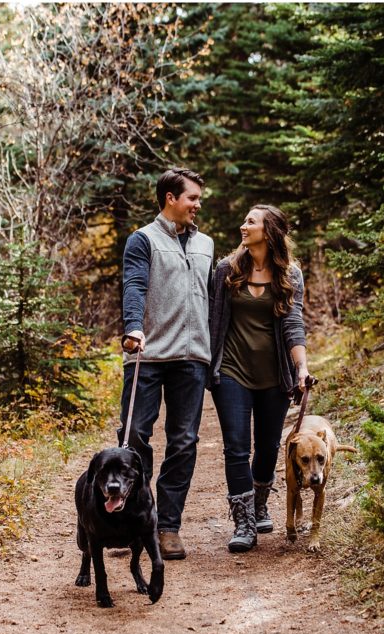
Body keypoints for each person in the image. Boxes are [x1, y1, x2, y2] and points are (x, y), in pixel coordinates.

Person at [120, 168, 213, 560]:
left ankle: (167, 526)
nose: (197, 205)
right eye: (192, 198)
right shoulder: (143, 240)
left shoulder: (206, 244)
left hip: (191, 357)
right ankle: (128, 517)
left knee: (184, 442)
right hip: (147, 354)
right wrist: (133, 326)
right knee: (135, 437)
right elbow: (135, 285)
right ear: (170, 198)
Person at [208, 204, 311, 553]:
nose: (243, 226)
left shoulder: (289, 274)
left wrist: (301, 368)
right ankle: (244, 522)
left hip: (274, 377)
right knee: (236, 447)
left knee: (267, 446)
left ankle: (261, 502)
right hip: (232, 371)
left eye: (251, 222)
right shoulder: (227, 270)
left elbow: (293, 323)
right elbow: (213, 319)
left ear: (268, 232)